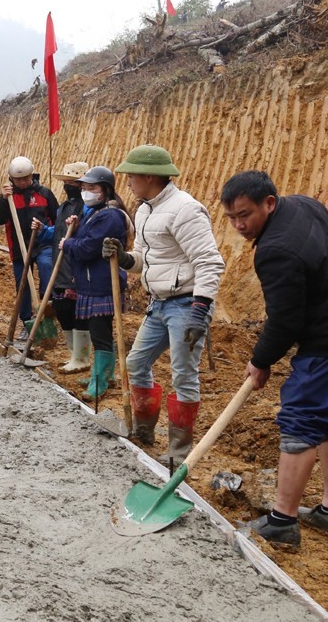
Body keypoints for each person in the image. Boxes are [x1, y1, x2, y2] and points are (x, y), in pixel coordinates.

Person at [221, 171, 328, 547]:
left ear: (269, 203)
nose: (239, 225)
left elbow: (285, 321)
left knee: (300, 419)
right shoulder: (304, 205)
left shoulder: (275, 250)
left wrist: (261, 360)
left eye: (245, 215)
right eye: (231, 217)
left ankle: (282, 522)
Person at [103, 144, 225, 462]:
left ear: (149, 176)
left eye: (132, 175)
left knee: (183, 374)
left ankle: (178, 453)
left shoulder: (186, 210)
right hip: (158, 303)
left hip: (187, 304)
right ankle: (144, 432)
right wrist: (124, 258)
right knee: (136, 364)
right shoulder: (145, 210)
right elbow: (145, 259)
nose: (128, 182)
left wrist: (201, 309)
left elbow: (209, 262)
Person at [38, 167, 129, 399]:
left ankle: (100, 382)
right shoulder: (95, 213)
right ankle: (104, 375)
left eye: (92, 187)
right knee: (99, 332)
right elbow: (85, 238)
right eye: (84, 187)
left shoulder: (110, 216)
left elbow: (89, 247)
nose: (86, 192)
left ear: (105, 190)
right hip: (90, 282)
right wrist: (77, 228)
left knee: (100, 333)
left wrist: (67, 244)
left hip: (102, 283)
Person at [0, 156, 58, 340]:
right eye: (18, 179)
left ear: (32, 175)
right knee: (22, 284)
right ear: (11, 179)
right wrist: (3, 199)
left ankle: (47, 307)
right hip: (19, 247)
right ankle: (27, 320)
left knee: (46, 266)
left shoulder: (44, 193)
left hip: (42, 243)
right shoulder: (9, 197)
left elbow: (57, 218)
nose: (22, 182)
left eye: (25, 178)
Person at [48, 161, 93, 373]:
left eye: (72, 182)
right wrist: (42, 231)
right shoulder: (64, 207)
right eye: (66, 182)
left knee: (77, 312)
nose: (67, 186)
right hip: (59, 264)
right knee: (62, 310)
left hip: (76, 265)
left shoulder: (87, 208)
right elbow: (56, 232)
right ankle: (73, 354)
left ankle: (82, 357)